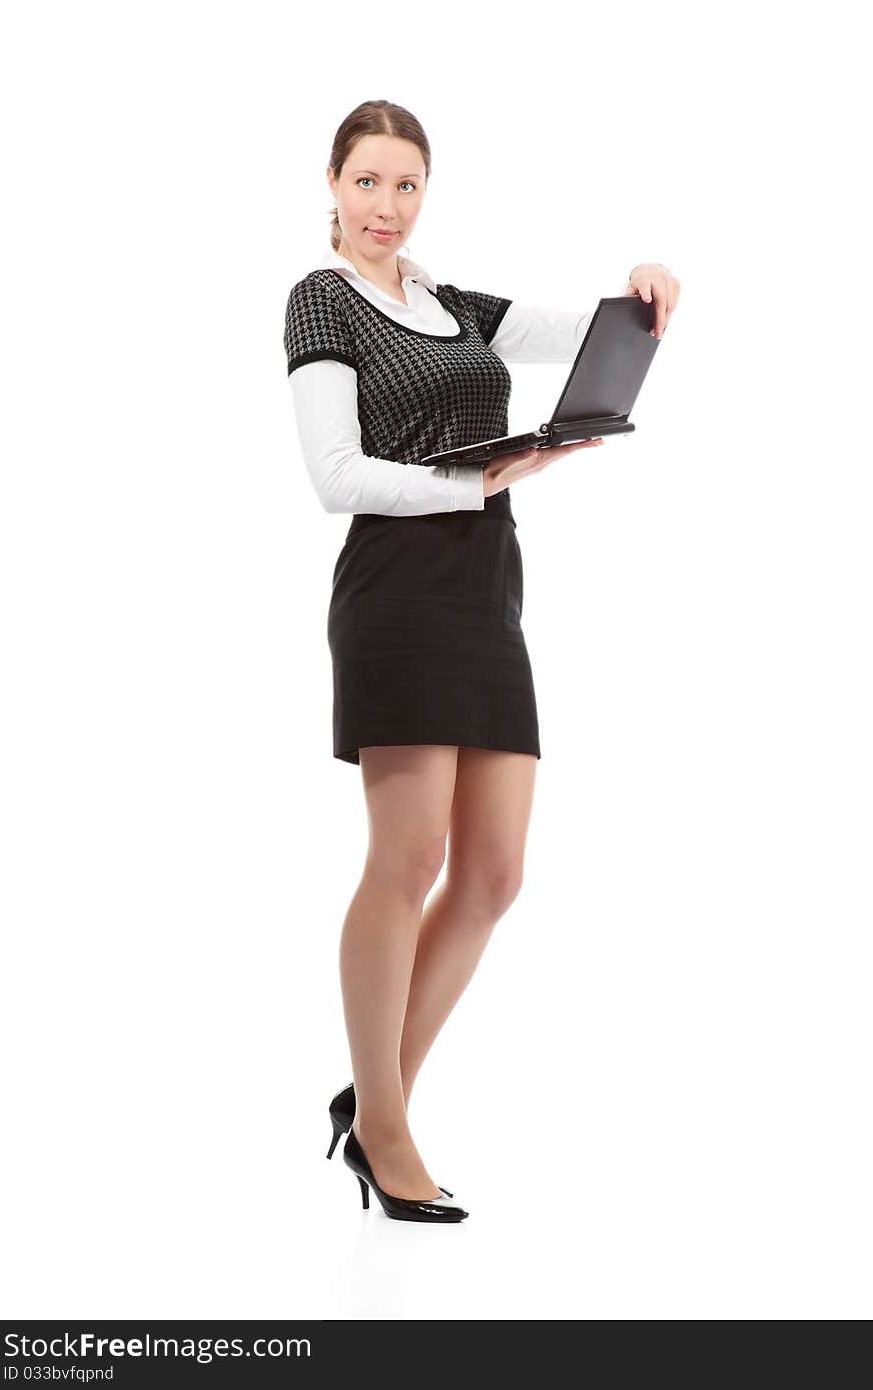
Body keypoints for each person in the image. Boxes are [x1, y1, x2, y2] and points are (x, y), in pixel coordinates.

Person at [283, 100, 680, 1223]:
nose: (386, 207)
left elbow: (588, 330)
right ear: (332, 185)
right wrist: (478, 480)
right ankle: (388, 1124)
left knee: (494, 871)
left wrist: (644, 288)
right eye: (367, 182)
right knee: (407, 861)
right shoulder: (322, 300)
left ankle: (371, 1103)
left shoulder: (451, 303)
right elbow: (334, 474)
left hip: (487, 591)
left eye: (405, 186)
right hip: (397, 596)